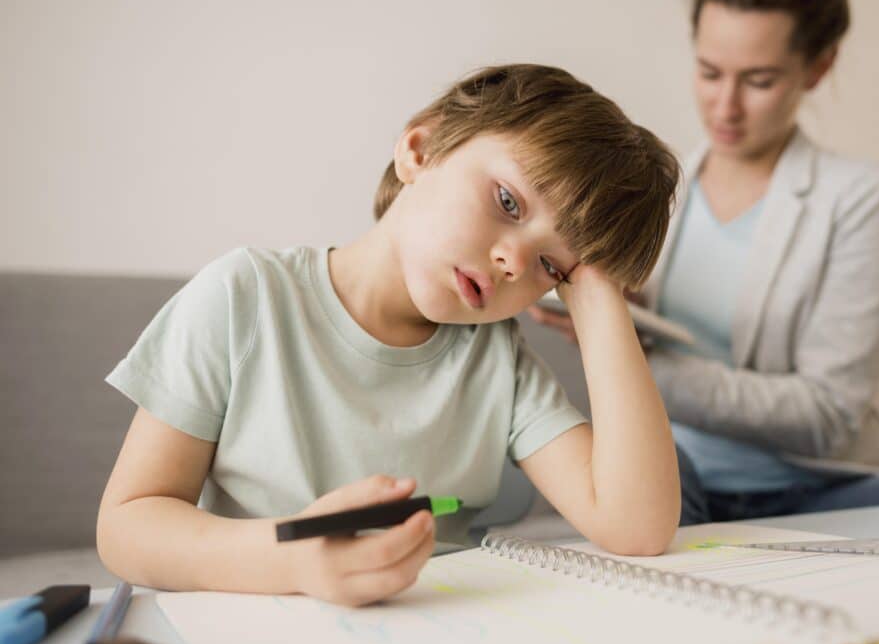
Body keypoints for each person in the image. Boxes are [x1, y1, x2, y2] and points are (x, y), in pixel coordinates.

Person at [96, 64, 683, 607]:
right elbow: (127, 526)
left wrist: (599, 295)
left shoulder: (497, 359)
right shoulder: (244, 298)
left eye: (551, 267)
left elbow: (638, 525)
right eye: (507, 201)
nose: (512, 261)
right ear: (419, 150)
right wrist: (292, 565)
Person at [529, 0, 879, 523]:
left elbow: (827, 412)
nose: (726, 106)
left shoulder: (857, 195)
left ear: (818, 67)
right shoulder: (655, 191)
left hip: (819, 486)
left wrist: (630, 358)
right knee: (647, 494)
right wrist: (629, 317)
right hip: (681, 476)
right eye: (709, 72)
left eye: (758, 80)